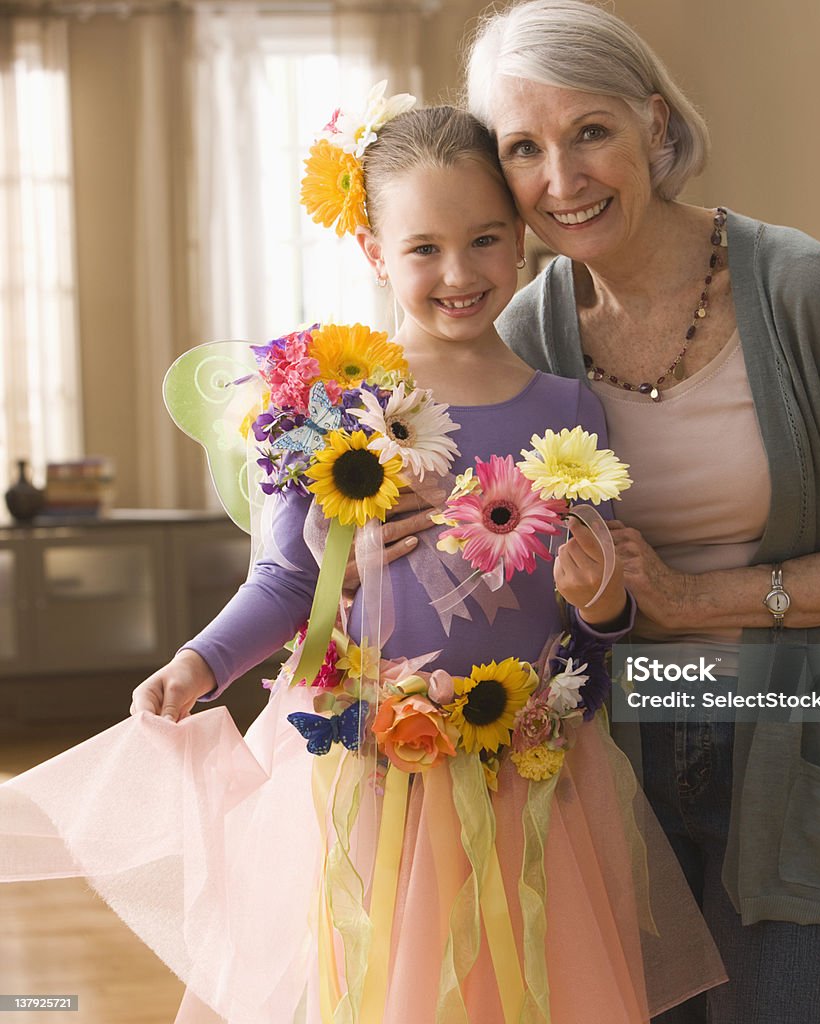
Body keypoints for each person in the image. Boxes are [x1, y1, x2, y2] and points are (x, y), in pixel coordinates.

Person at [0, 102, 724, 1023]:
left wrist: (607, 600)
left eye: (485, 240)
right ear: (377, 253)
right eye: (423, 248)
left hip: (533, 785)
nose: (459, 274)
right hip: (373, 780)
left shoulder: (569, 408)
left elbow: (599, 631)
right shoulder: (331, 406)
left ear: (520, 241)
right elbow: (286, 582)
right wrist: (203, 659)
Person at [463, 2, 820, 1022]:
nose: (561, 179)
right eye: (525, 148)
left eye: (591, 131)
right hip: (615, 774)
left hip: (799, 749)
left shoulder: (799, 292)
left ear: (654, 124)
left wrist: (696, 598)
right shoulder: (528, 331)